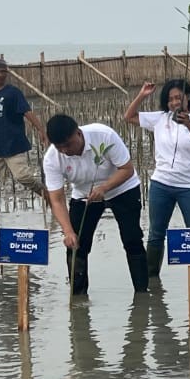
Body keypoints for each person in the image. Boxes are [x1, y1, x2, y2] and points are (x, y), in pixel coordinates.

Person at [43, 114, 147, 294]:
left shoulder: (104, 136)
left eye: (68, 145)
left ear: (78, 133)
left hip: (122, 188)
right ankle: (78, 298)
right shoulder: (52, 158)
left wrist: (104, 188)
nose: (65, 151)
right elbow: (57, 199)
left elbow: (127, 169)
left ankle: (142, 293)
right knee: (76, 245)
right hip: (84, 195)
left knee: (132, 239)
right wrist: (68, 231)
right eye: (60, 148)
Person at [123, 78, 190, 279]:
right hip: (161, 184)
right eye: (170, 99)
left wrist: (188, 124)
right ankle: (151, 280)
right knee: (155, 234)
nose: (174, 103)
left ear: (188, 97)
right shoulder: (160, 118)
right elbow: (128, 117)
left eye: (178, 98)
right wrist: (142, 95)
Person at [0, 57, 48, 199]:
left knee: (23, 177)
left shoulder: (13, 93)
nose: (1, 74)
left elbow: (27, 111)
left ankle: (49, 196)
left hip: (13, 143)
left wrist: (41, 130)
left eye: (3, 71)